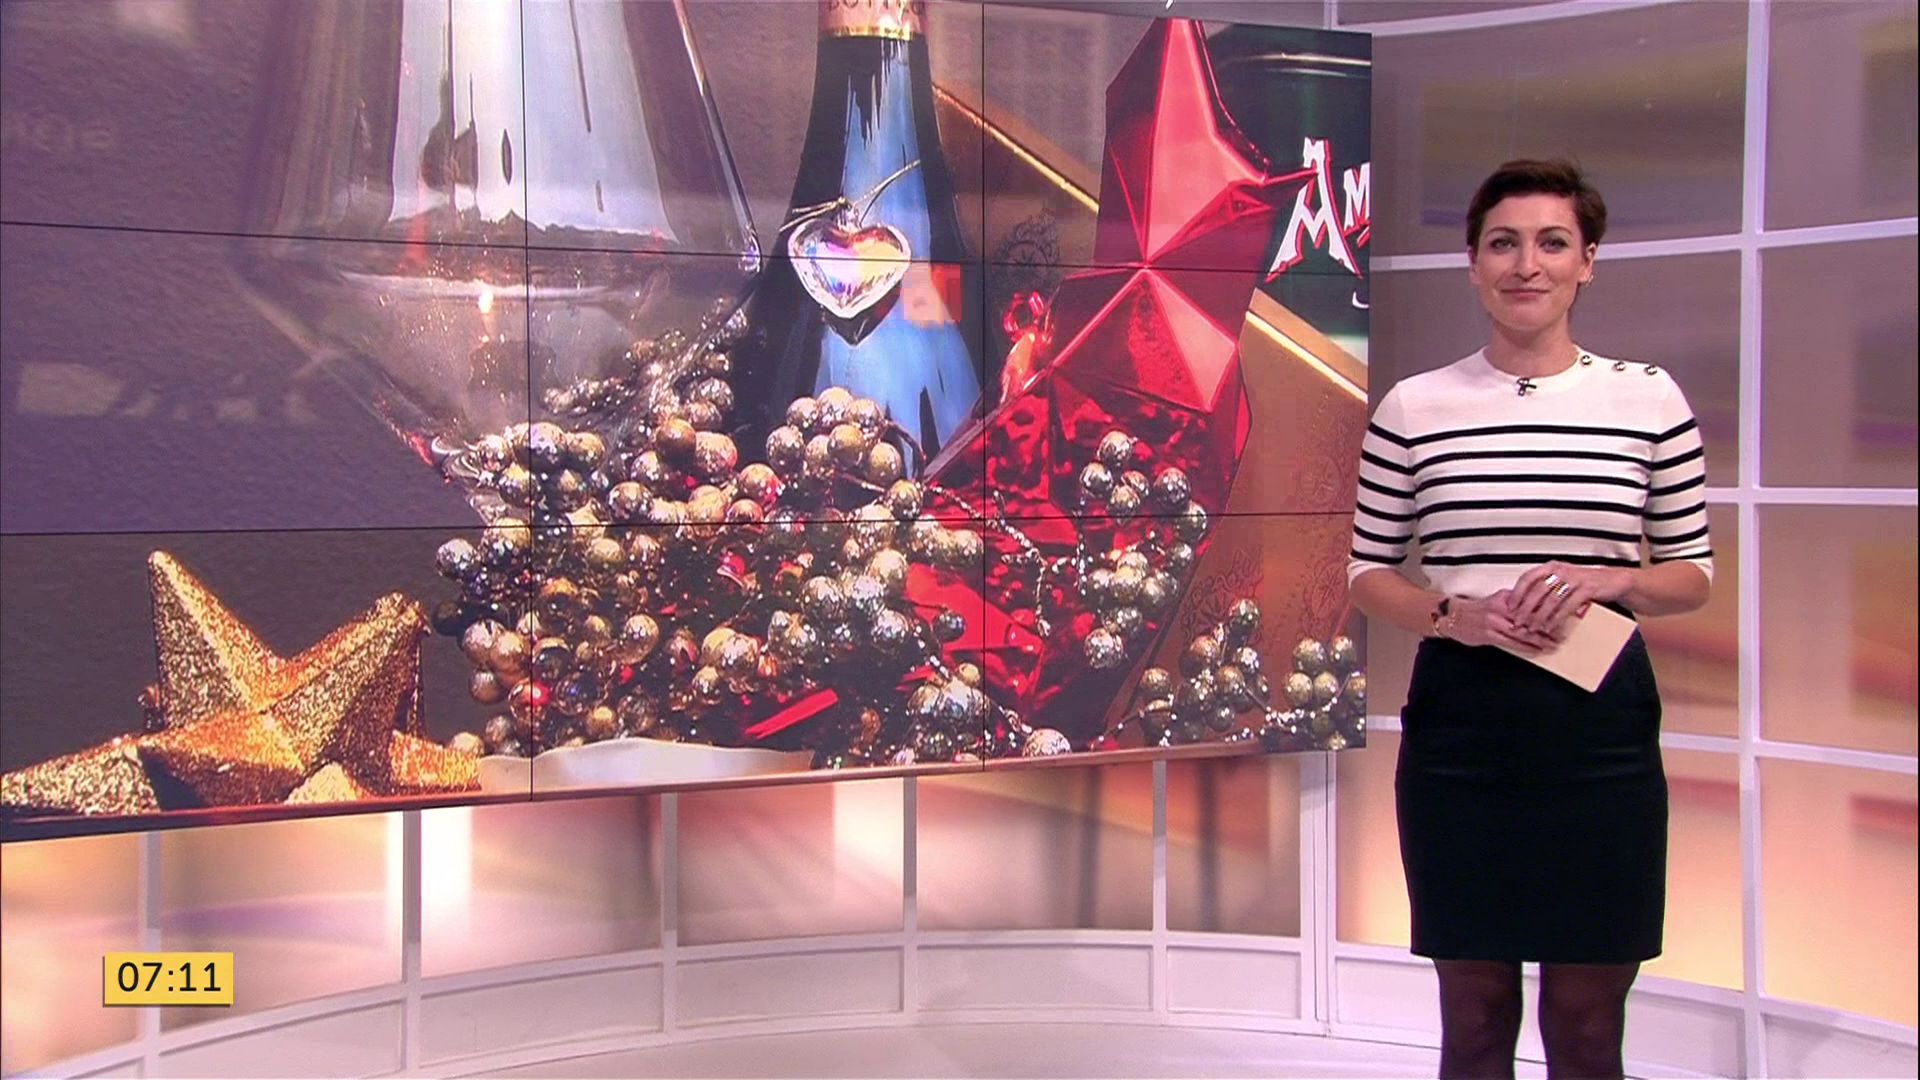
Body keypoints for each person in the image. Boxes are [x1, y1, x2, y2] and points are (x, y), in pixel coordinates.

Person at [1347, 159, 1714, 1080]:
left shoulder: (1648, 399)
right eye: (1503, 243)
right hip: (1462, 730)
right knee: (1474, 1022)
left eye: (1552, 243)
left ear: (1587, 261)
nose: (1527, 264)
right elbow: (1367, 574)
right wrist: (1453, 616)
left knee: (1587, 1028)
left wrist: (1605, 579)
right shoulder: (1414, 407)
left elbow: (1691, 578)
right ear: (1473, 263)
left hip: (1599, 731)